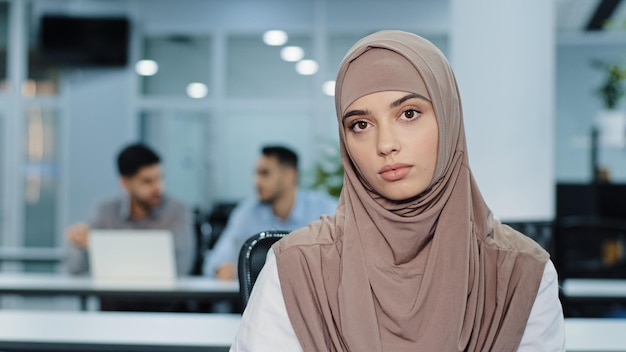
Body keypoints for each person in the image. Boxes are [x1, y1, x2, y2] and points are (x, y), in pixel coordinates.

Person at [231, 30, 565, 351]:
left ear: (448, 119)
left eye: (409, 113)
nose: (386, 144)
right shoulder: (296, 267)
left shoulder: (521, 273)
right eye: (360, 125)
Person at [204, 145, 337, 281]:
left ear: (289, 175)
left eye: (265, 173)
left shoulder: (325, 209)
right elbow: (214, 262)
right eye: (256, 174)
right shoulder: (247, 212)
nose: (257, 182)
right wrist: (221, 269)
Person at [65, 143, 194, 278]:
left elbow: (182, 268)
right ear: (125, 183)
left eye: (160, 178)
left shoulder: (176, 211)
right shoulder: (105, 212)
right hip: (116, 297)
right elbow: (75, 269)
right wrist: (78, 244)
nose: (158, 187)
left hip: (161, 298)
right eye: (147, 181)